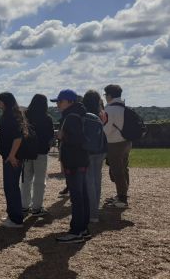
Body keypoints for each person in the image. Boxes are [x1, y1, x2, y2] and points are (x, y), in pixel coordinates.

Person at [52, 89, 90, 243]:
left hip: (74, 160)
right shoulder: (82, 113)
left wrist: (62, 135)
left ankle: (76, 231)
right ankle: (83, 229)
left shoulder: (71, 117)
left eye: (60, 101)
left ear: (70, 102)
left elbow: (76, 140)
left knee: (77, 198)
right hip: (82, 159)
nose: (58, 105)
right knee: (83, 196)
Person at [0, 92, 25, 228]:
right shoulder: (10, 114)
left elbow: (18, 137)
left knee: (11, 187)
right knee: (10, 187)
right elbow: (12, 134)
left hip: (12, 157)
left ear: (4, 102)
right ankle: (13, 214)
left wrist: (11, 155)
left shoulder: (10, 115)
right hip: (11, 156)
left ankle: (16, 219)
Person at [21, 94, 54, 217]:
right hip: (41, 152)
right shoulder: (47, 118)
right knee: (40, 180)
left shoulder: (25, 116)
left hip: (26, 152)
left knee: (25, 180)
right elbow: (50, 137)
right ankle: (36, 207)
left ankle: (24, 206)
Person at [103, 84, 131, 208]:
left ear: (109, 95)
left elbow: (106, 130)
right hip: (127, 142)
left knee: (117, 171)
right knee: (124, 168)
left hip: (114, 143)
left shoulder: (109, 109)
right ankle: (123, 194)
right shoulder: (124, 107)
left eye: (105, 95)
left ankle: (122, 198)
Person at [83, 90, 107, 222]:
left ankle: (91, 213)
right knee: (97, 180)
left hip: (88, 149)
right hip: (101, 147)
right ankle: (95, 210)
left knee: (89, 180)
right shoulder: (102, 113)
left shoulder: (84, 113)